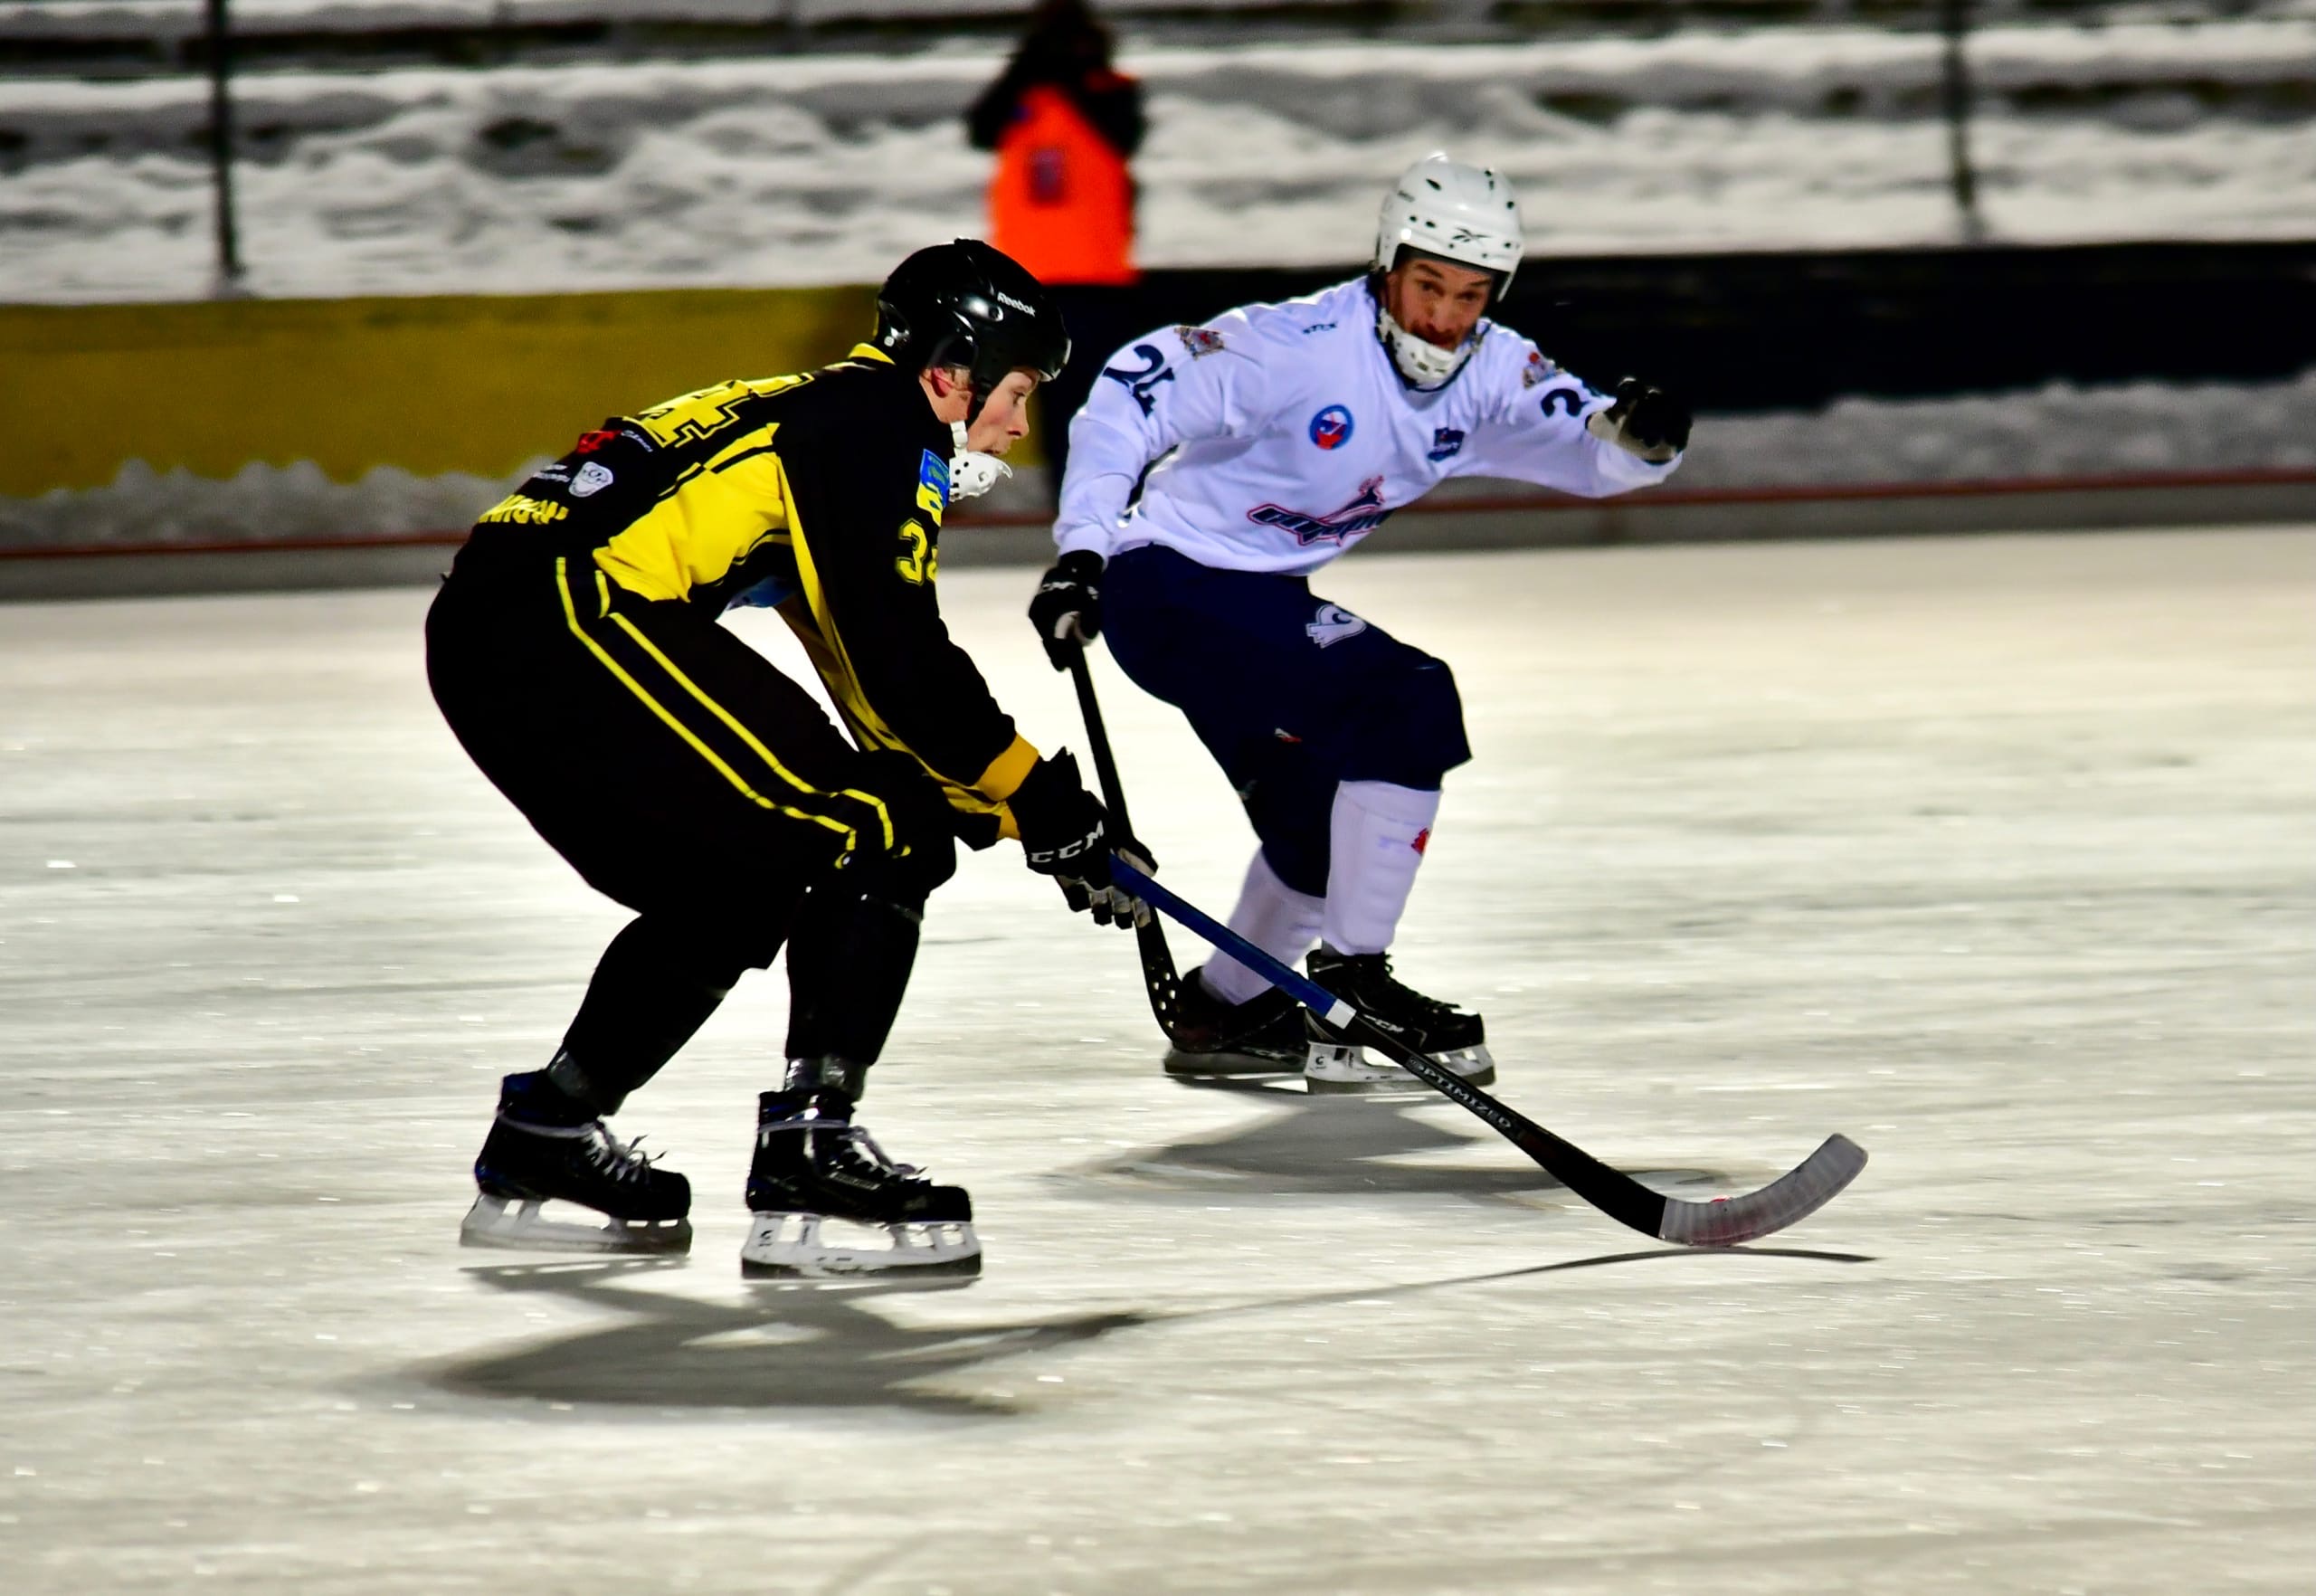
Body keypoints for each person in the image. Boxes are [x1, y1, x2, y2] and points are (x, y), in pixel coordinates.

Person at [425, 239, 1135, 1278]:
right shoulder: (880, 424)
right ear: (951, 372)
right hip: (565, 616)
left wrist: (1022, 815)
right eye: (1017, 393)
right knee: (878, 824)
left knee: (742, 882)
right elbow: (901, 666)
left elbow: (863, 681)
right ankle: (812, 1144)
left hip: (509, 628)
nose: (1021, 429)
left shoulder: (826, 414)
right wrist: (1042, 800)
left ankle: (549, 1129)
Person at [1027, 154, 1692, 1091]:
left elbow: (1595, 450)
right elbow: (1131, 387)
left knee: (1315, 834)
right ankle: (1354, 977)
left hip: (1256, 602)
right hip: (1167, 588)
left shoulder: (1490, 366)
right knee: (1406, 702)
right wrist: (1083, 546)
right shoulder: (1296, 346)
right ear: (1387, 263)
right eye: (1427, 286)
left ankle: (1225, 1013)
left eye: (1470, 295)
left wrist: (1647, 444)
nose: (1444, 318)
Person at [967, 0, 1145, 504]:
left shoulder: (1109, 93)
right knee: (1038, 400)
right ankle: (1064, 496)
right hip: (1031, 281)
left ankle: (1112, 494)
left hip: (1096, 277)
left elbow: (1123, 134)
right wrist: (1025, 68)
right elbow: (980, 128)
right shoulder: (1024, 99)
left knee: (1101, 398)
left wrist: (1066, 73)